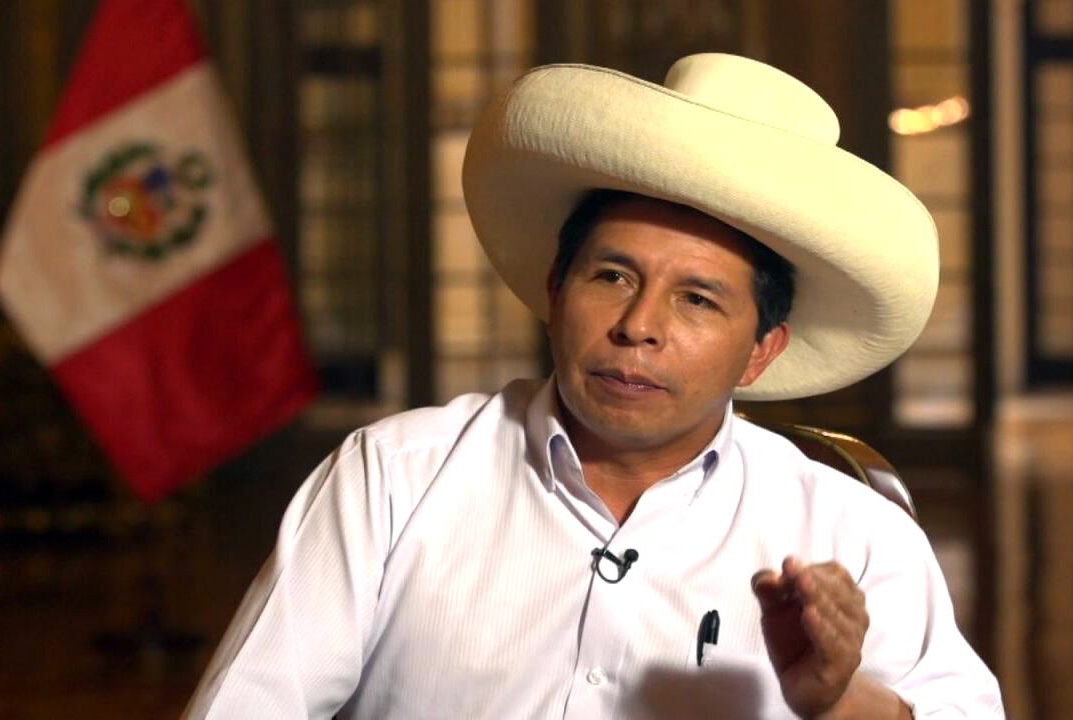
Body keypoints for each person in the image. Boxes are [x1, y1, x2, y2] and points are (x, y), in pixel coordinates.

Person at [183, 54, 1004, 719]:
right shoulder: (395, 478)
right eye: (612, 276)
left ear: (762, 352)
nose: (638, 325)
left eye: (697, 299)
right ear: (554, 290)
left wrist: (839, 702)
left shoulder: (851, 532)